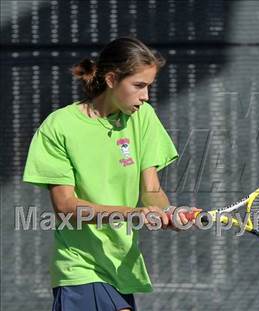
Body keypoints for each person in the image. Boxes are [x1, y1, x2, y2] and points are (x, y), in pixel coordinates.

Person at [23, 36, 199, 311]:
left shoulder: (144, 117)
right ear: (111, 79)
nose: (146, 96)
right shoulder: (59, 127)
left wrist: (169, 214)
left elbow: (151, 191)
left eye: (149, 86)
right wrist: (131, 214)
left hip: (120, 267)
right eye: (139, 86)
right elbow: (66, 207)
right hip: (79, 268)